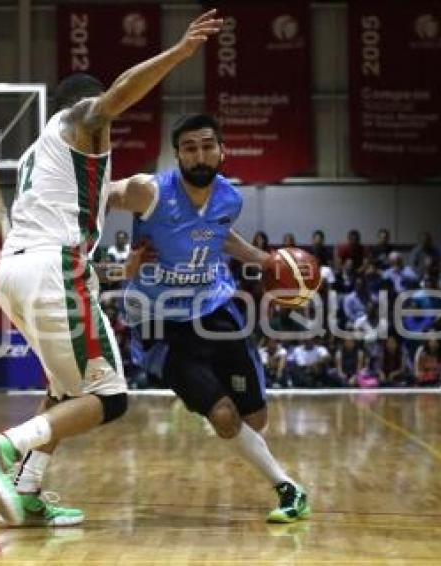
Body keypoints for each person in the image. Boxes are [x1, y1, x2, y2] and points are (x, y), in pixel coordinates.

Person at [0, 10, 224, 528]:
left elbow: (92, 202)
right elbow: (112, 101)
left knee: (66, 389)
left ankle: (28, 489)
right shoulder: (76, 120)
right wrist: (178, 53)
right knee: (109, 398)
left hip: (17, 272)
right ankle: (3, 446)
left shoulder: (40, 157)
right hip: (51, 268)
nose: (107, 123)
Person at [107, 113, 311, 523]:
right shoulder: (150, 191)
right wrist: (113, 263)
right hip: (160, 322)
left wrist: (261, 259)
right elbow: (100, 194)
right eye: (189, 148)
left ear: (222, 150)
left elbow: (218, 234)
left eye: (206, 146)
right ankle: (288, 487)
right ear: (177, 155)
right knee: (223, 416)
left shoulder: (229, 199)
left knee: (255, 418)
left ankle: (223, 417)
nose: (198, 155)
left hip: (216, 310)